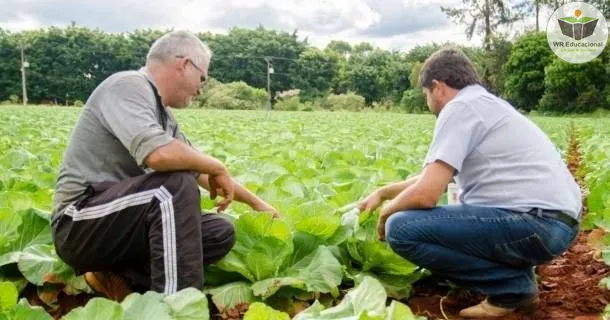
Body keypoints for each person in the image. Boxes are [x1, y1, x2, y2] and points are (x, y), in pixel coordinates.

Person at [51, 30, 278, 301]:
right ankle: (177, 307)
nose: (202, 87)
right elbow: (158, 155)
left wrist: (258, 204)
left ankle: (116, 277)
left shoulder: (163, 116)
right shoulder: (127, 85)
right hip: (78, 223)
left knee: (218, 232)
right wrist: (217, 165)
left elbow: (201, 171)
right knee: (172, 187)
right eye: (203, 77)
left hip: (117, 223)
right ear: (184, 65)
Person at [357, 48, 581, 318]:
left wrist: (386, 211)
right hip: (555, 224)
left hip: (535, 224)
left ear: (438, 87)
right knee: (427, 218)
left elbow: (427, 194)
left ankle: (513, 288)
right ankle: (514, 280)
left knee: (401, 228)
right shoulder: (483, 104)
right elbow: (431, 178)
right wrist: (383, 192)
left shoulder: (459, 108)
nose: (428, 101)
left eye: (425, 93)